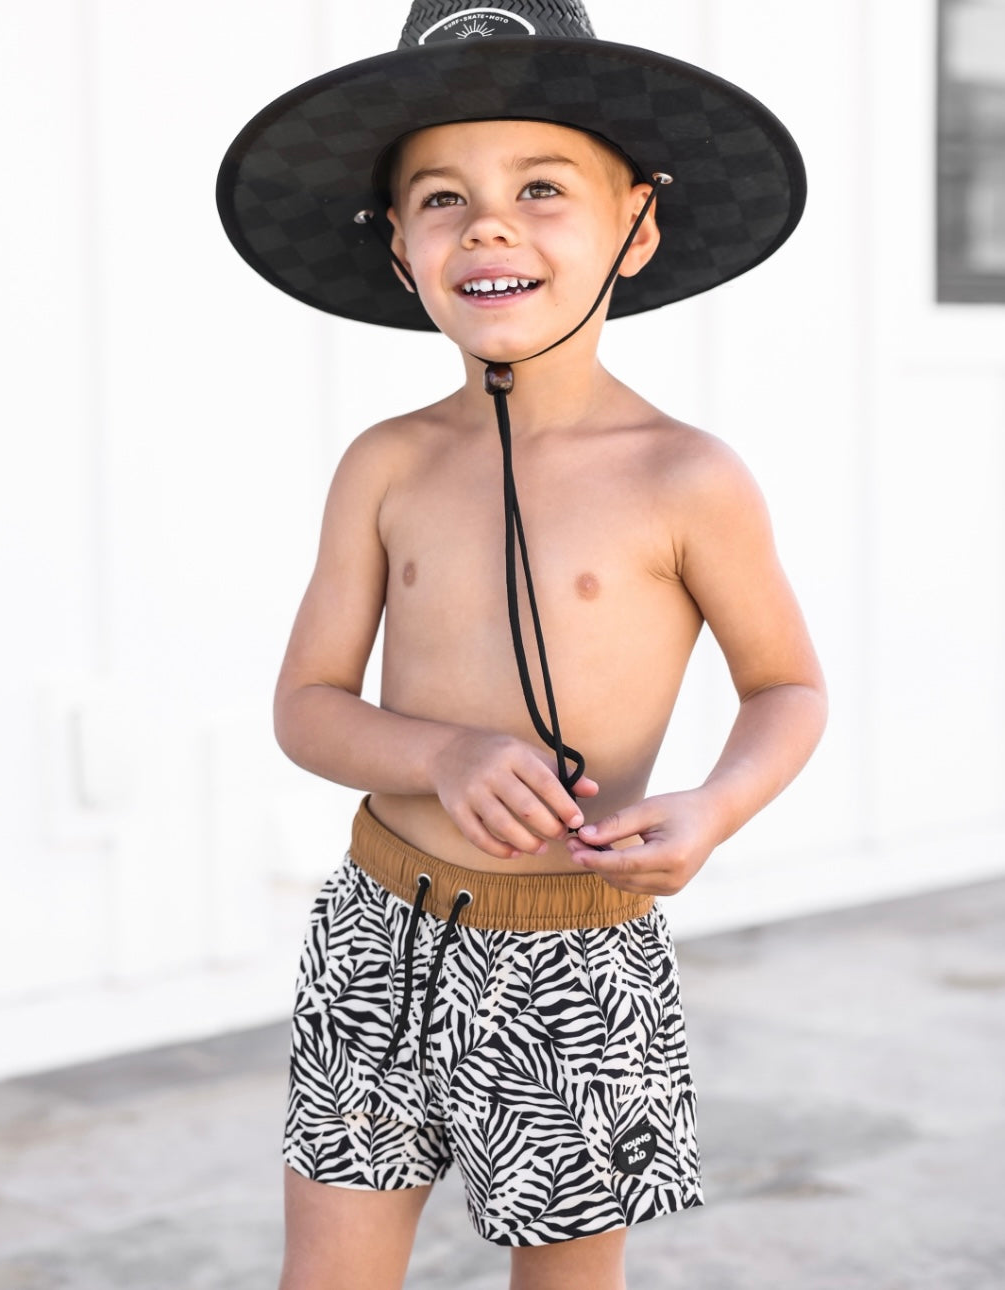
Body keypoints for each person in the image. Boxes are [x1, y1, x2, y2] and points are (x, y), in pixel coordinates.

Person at [216, 4, 827, 1287]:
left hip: (575, 957)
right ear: (400, 250)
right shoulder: (386, 466)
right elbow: (307, 705)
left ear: (636, 228)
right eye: (442, 198)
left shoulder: (685, 478)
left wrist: (715, 806)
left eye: (541, 187)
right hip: (381, 933)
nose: (488, 226)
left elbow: (787, 686)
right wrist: (439, 754)